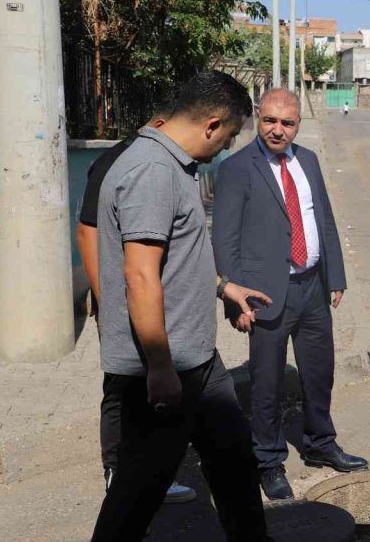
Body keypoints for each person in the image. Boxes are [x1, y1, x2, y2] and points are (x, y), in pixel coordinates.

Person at [90, 71, 271, 542]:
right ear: (211, 125)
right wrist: (160, 367)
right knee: (137, 491)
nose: (227, 148)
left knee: (233, 460)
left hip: (197, 360)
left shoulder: (169, 164)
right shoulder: (152, 171)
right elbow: (140, 275)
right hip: (165, 365)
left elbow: (172, 259)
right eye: (229, 137)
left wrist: (222, 287)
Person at [212, 88, 366, 501]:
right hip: (264, 294)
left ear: (298, 124)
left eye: (287, 123)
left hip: (313, 287)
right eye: (270, 121)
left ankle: (320, 443)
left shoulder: (309, 161)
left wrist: (336, 275)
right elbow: (224, 240)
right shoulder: (237, 168)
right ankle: (268, 460)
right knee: (266, 384)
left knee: (320, 373)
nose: (278, 130)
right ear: (257, 119)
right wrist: (234, 300)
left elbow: (325, 220)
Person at [76, 103, 198, 504]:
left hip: (151, 299)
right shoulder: (122, 162)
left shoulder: (165, 164)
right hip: (124, 297)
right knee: (121, 388)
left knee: (156, 388)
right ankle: (118, 475)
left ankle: (153, 475)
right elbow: (87, 233)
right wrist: (110, 301)